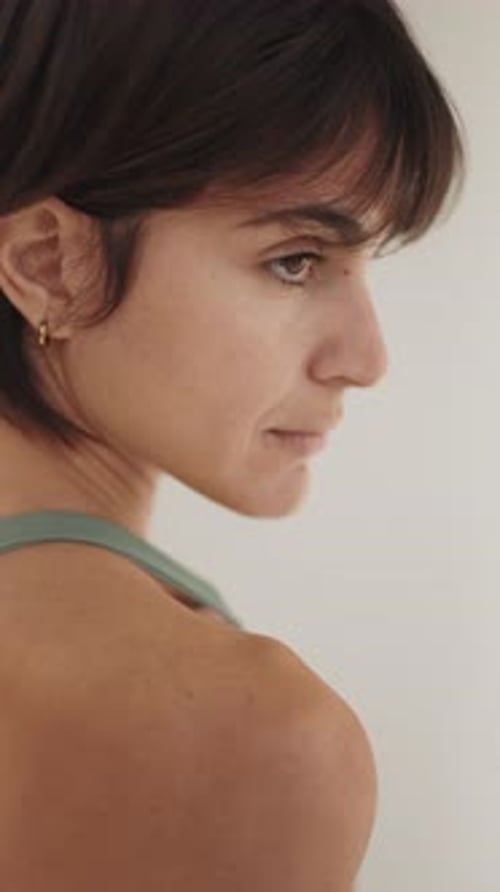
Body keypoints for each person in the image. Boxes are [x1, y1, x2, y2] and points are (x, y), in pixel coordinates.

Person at [0, 1, 465, 889]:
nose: (366, 360)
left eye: (370, 264)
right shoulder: (240, 737)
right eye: (295, 260)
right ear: (49, 264)